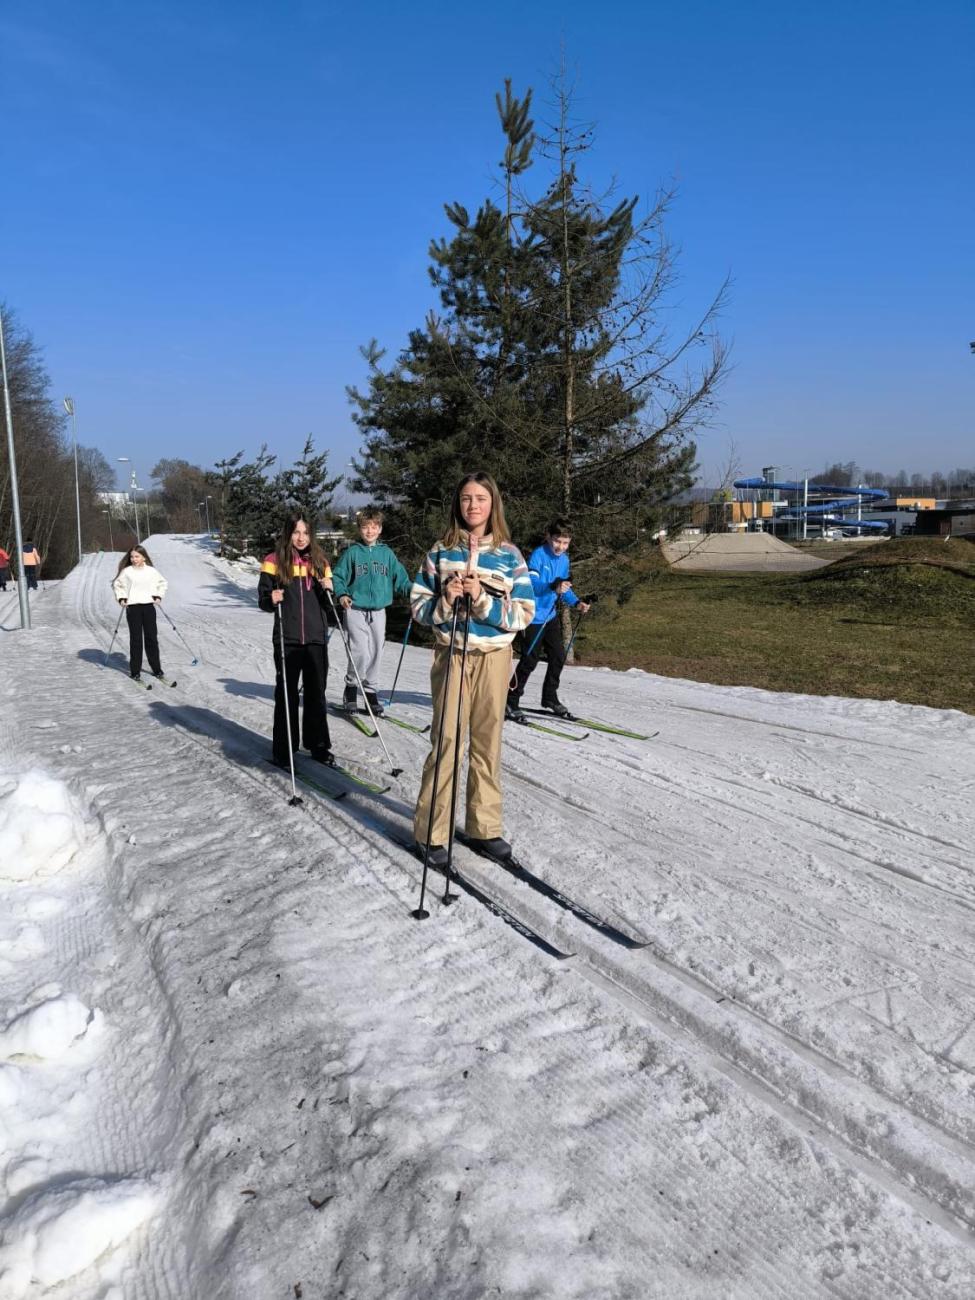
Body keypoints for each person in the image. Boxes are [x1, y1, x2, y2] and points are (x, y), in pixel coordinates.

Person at [411, 472, 535, 866]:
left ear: (492, 503)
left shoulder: (509, 555)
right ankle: (431, 831)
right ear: (457, 504)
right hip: (452, 654)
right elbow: (417, 609)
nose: (473, 506)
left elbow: (524, 614)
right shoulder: (440, 552)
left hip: (494, 658)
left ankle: (483, 827)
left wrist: (482, 600)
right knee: (447, 740)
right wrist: (445, 600)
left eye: (480, 498)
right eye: (466, 498)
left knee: (487, 744)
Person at [257, 515, 335, 768]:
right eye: (296, 532)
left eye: (305, 533)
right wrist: (272, 598)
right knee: (287, 694)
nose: (301, 538)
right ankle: (284, 748)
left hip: (315, 638)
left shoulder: (320, 562)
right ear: (287, 534)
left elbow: (331, 610)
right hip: (287, 638)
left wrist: (331, 590)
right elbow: (263, 600)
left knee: (316, 694)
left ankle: (318, 744)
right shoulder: (273, 561)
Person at [331, 507, 412, 717]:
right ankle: (351, 689)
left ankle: (370, 692)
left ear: (380, 529)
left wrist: (414, 593)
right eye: (366, 527)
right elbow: (338, 576)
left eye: (374, 527)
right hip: (355, 608)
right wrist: (341, 594)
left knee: (376, 651)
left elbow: (400, 578)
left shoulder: (386, 554)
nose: (370, 531)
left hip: (379, 611)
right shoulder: (352, 553)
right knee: (360, 651)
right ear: (359, 529)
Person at [506, 518, 590, 721]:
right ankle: (511, 700)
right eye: (557, 541)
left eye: (565, 542)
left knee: (558, 656)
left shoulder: (564, 560)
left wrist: (577, 602)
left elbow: (563, 587)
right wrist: (553, 586)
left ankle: (550, 697)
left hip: (549, 615)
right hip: (531, 615)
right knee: (530, 659)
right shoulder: (538, 555)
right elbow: (532, 583)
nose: (560, 546)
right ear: (548, 537)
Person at [112, 545, 168, 681]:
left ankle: (157, 669)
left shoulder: (151, 571)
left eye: (137, 556)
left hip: (148, 607)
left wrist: (158, 595)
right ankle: (135, 671)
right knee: (136, 640)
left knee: (151, 639)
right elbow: (117, 584)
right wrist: (122, 598)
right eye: (132, 556)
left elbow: (163, 583)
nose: (133, 559)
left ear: (144, 557)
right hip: (133, 608)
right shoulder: (127, 571)